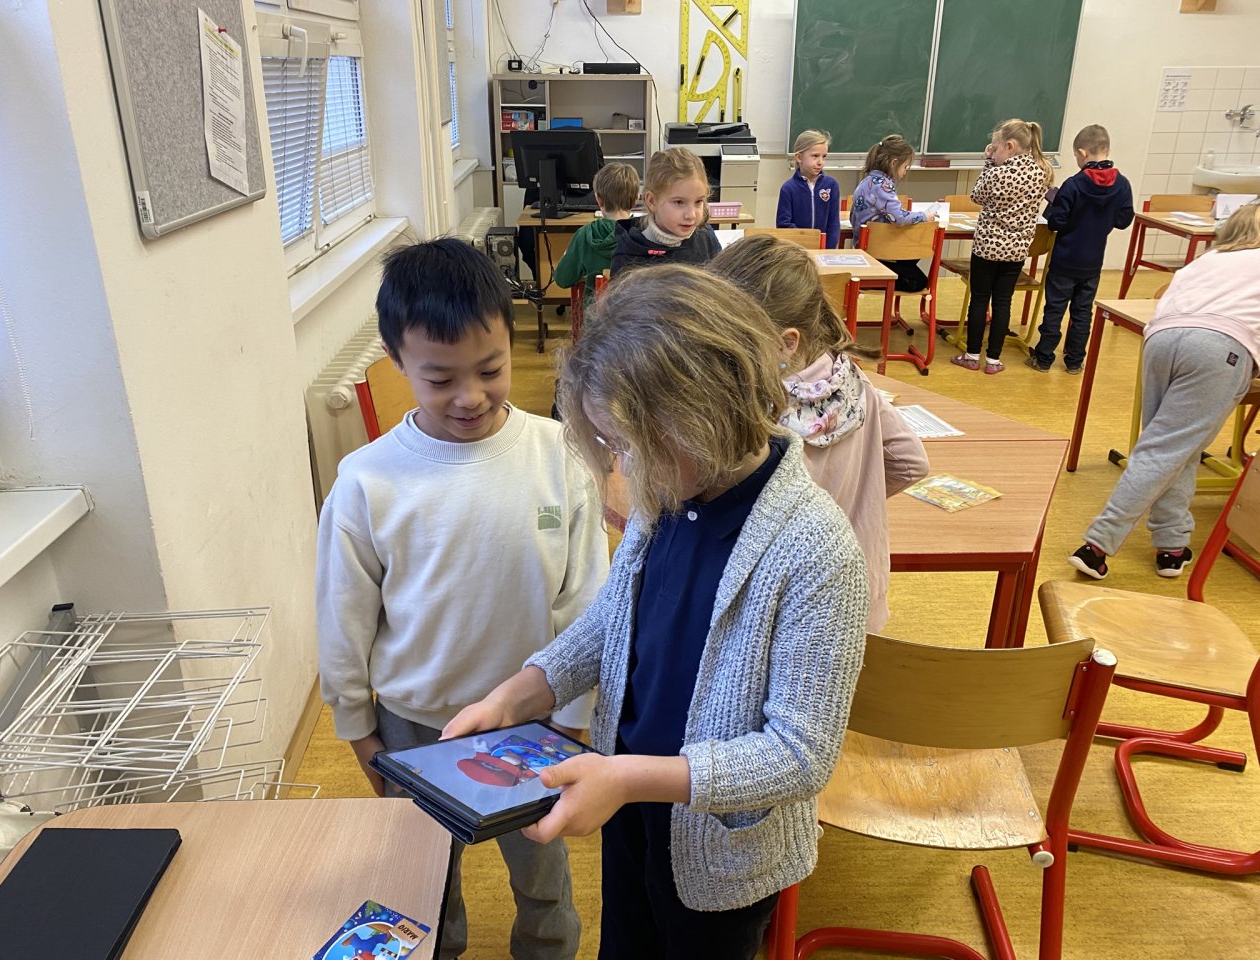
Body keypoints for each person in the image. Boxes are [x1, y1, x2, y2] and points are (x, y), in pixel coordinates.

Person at [443, 264, 869, 960]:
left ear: (704, 414)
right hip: (631, 806)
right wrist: (521, 692)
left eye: (629, 444)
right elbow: (613, 622)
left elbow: (801, 755)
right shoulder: (667, 492)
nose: (623, 466)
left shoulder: (817, 550)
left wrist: (630, 777)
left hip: (721, 851)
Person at [316, 238, 609, 960]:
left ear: (511, 341)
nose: (470, 396)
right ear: (397, 360)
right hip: (414, 723)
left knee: (543, 876)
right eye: (440, 378)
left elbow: (587, 603)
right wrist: (360, 732)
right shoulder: (366, 481)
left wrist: (572, 716)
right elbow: (342, 620)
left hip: (530, 724)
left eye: (491, 369)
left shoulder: (560, 455)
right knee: (424, 882)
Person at [708, 234, 928, 632]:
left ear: (786, 343)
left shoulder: (760, 416)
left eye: (728, 340)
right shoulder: (852, 379)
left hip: (786, 612)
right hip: (859, 592)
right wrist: (854, 507)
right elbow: (912, 462)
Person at [1068, 202, 1260, 581]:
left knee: (1175, 448)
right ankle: (1097, 545)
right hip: (1218, 349)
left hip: (1161, 341)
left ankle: (1172, 546)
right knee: (1165, 450)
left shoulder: (1205, 261)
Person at [1025, 124, 1134, 374]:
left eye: (1076, 155)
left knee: (1055, 309)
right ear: (1107, 150)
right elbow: (1123, 220)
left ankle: (1043, 358)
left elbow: (1056, 222)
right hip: (1093, 261)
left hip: (1065, 259)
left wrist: (1060, 207)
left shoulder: (1074, 184)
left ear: (1083, 153)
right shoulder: (1122, 184)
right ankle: (1074, 361)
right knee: (1083, 312)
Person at [951, 119, 1052, 375]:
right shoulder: (1040, 172)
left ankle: (972, 355)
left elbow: (976, 195)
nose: (992, 153)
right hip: (1016, 251)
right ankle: (994, 359)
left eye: (995, 149)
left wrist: (988, 163)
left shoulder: (997, 173)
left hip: (987, 248)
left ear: (1009, 146)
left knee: (979, 300)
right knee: (1003, 302)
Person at [610, 147, 722, 279]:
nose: (691, 215)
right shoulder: (627, 256)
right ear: (652, 201)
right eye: (679, 202)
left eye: (698, 201)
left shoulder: (707, 240)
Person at [848, 134, 937, 292]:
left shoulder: (867, 181)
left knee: (913, 254)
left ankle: (878, 276)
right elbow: (899, 218)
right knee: (919, 281)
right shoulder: (883, 186)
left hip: (867, 246)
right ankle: (875, 280)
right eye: (905, 167)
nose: (905, 172)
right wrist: (924, 216)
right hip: (878, 250)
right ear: (894, 163)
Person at [552, 161, 639, 305]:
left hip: (596, 316)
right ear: (636, 199)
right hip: (635, 315)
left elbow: (562, 279)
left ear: (598, 199)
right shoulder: (643, 234)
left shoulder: (584, 235)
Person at [776, 129, 840, 243]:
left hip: (823, 249)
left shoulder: (831, 185)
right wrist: (806, 241)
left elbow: (833, 224)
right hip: (796, 248)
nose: (820, 162)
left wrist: (829, 249)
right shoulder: (788, 189)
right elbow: (783, 225)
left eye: (824, 156)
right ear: (799, 158)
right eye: (815, 156)